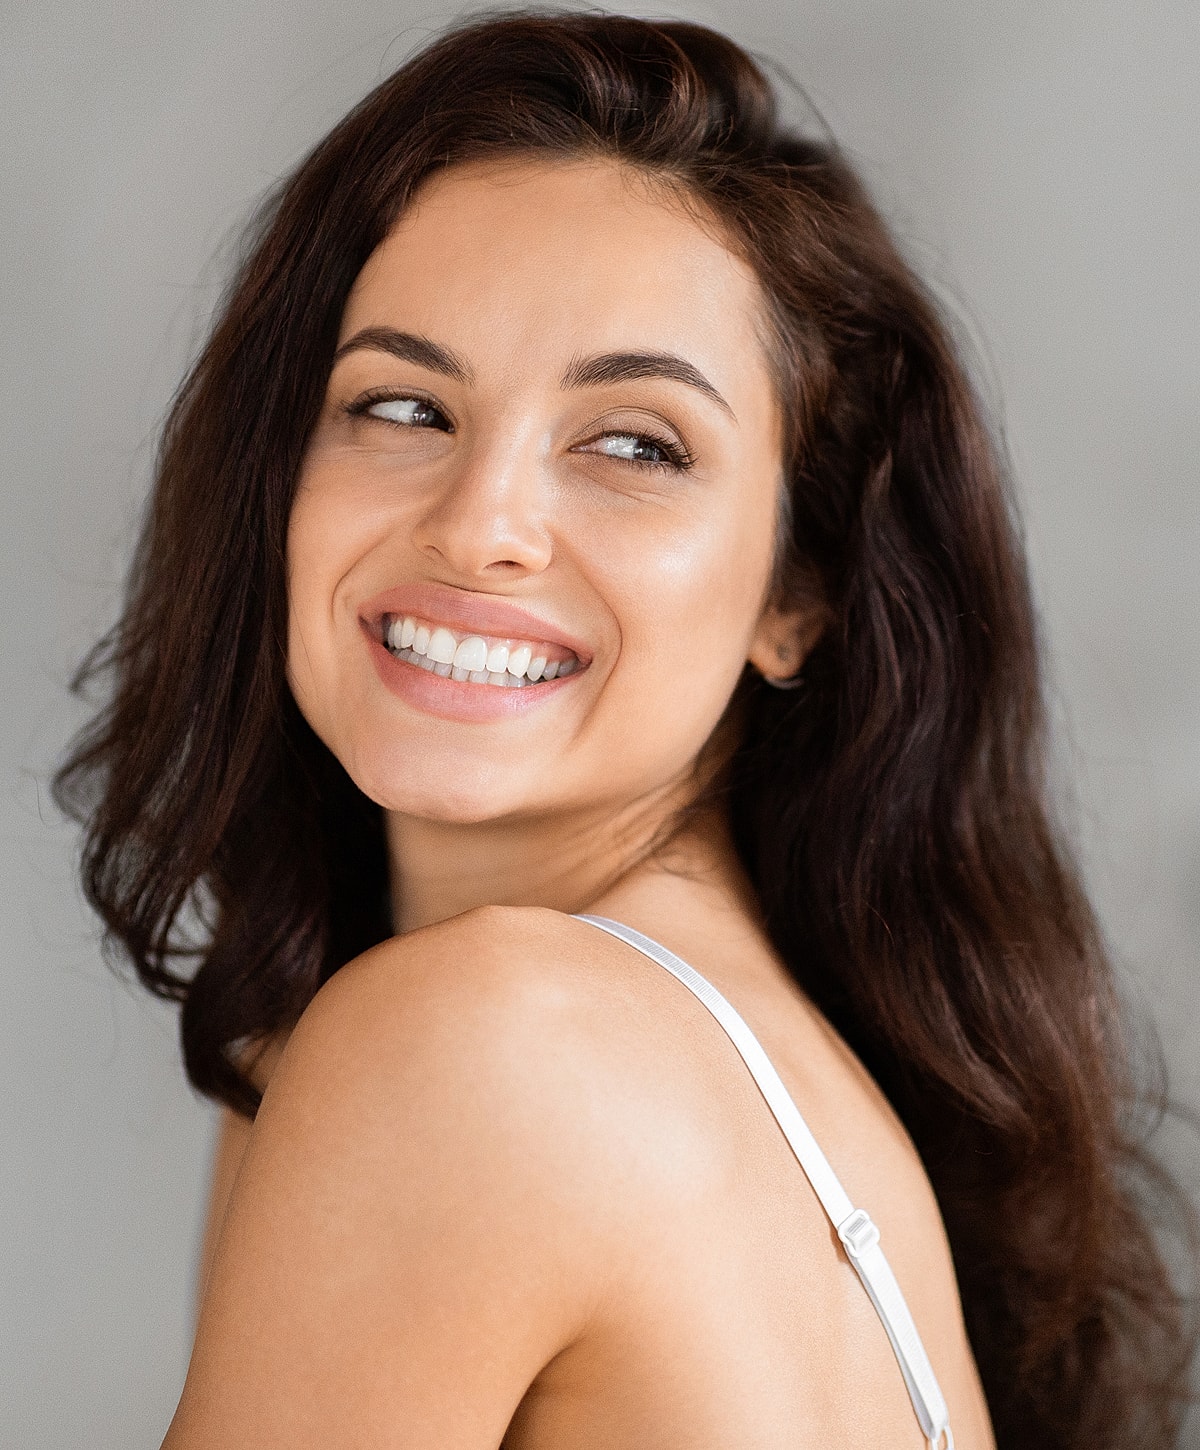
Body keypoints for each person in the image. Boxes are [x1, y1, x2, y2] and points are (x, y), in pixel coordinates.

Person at [55, 9, 1194, 1448]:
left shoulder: (484, 1048)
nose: (480, 525)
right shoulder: (697, 1062)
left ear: (798, 589)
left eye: (636, 443)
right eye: (402, 405)